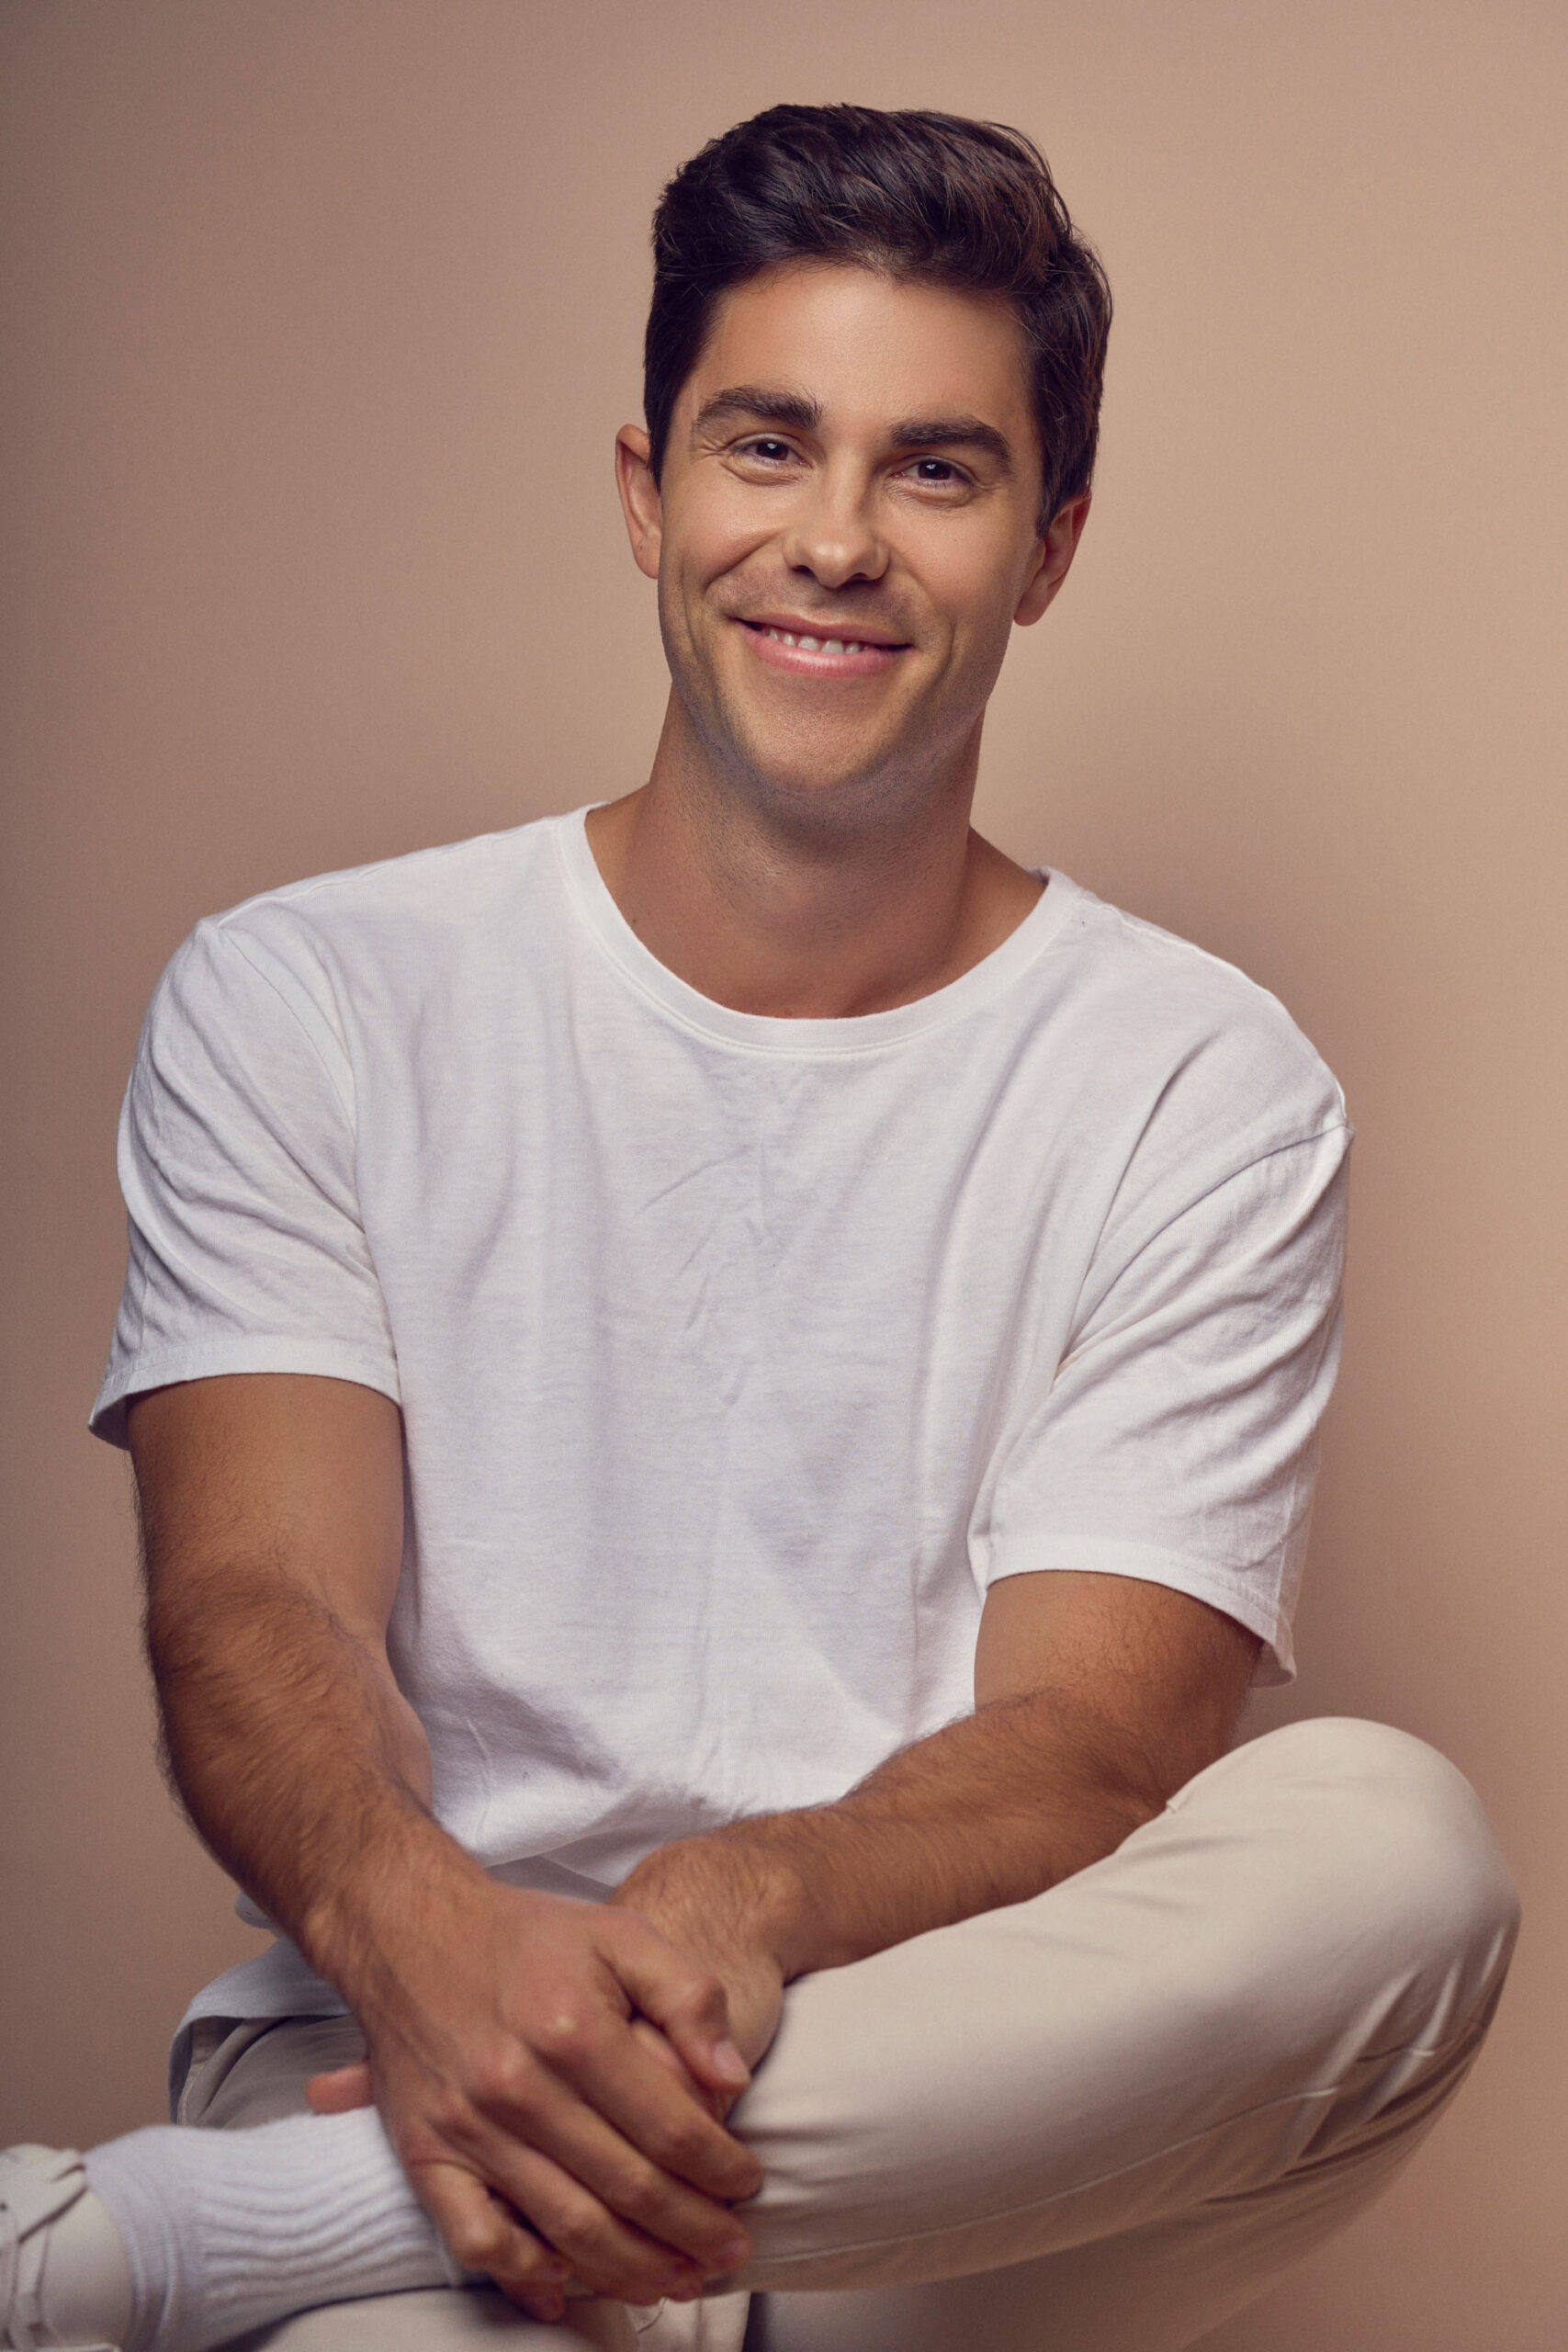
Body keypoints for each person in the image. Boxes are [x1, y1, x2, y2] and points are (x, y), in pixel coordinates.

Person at [2, 104, 1517, 2352]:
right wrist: (439, 1942)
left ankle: (184, 2240)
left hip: (953, 2106)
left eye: (933, 467)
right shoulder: (311, 991)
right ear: (647, 488)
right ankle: (461, 2243)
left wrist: (742, 1893)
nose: (831, 539)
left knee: (1396, 1852)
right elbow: (252, 1600)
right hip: (378, 2027)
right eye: (766, 444)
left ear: (1050, 539)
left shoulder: (1198, 1084)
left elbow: (1097, 1742)